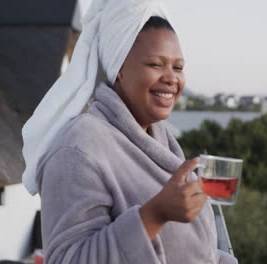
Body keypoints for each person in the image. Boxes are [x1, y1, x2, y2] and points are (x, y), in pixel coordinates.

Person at [21, 0, 238, 263]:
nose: (171, 78)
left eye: (178, 67)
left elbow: (192, 248)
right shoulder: (79, 148)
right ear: (119, 68)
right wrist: (154, 214)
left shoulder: (161, 138)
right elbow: (68, 259)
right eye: (156, 65)